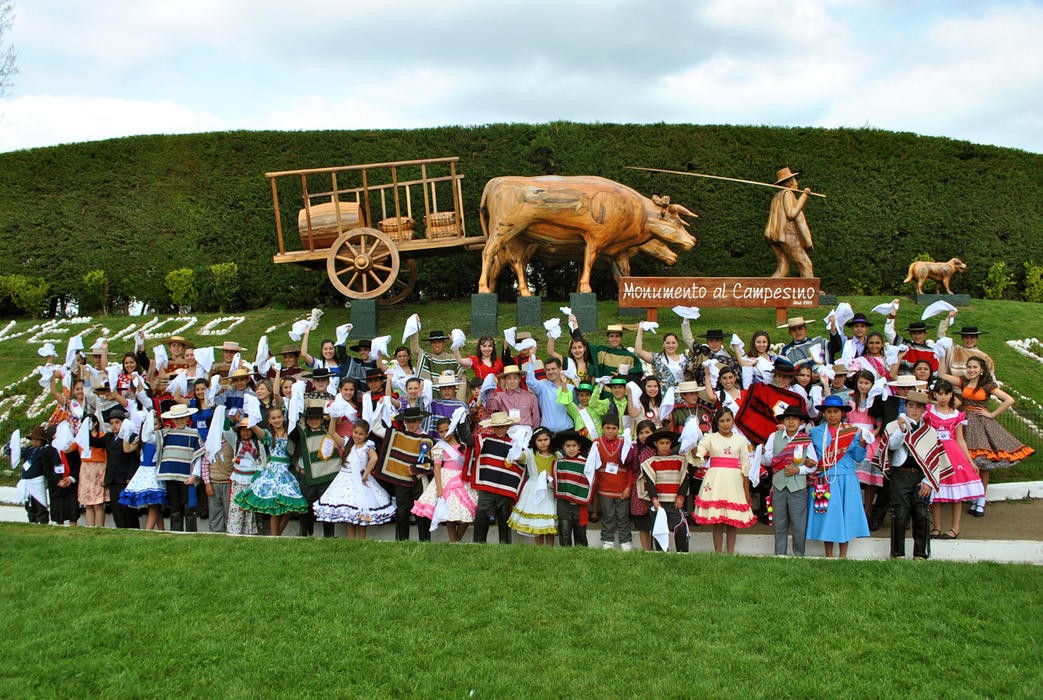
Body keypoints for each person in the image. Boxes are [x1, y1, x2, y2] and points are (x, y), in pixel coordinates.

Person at [938, 357, 1033, 516]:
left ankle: (981, 498)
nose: (971, 370)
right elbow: (942, 375)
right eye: (969, 367)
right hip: (964, 422)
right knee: (966, 459)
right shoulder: (963, 381)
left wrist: (991, 413)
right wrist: (942, 353)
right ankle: (973, 493)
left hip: (981, 424)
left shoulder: (988, 385)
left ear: (982, 369)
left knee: (983, 462)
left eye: (975, 367)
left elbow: (1009, 400)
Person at [876, 390, 950, 559]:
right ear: (906, 407)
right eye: (910, 406)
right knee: (900, 513)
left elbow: (935, 459)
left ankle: (921, 554)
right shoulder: (893, 426)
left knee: (922, 514)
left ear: (924, 409)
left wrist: (928, 481)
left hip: (921, 477)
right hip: (900, 475)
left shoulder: (930, 431)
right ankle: (898, 554)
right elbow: (892, 447)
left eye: (918, 407)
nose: (914, 410)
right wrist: (901, 430)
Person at [806, 395, 871, 558]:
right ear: (824, 413)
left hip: (846, 479)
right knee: (827, 516)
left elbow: (858, 457)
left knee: (845, 515)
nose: (832, 415)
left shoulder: (852, 431)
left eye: (836, 411)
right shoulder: (815, 432)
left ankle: (843, 555)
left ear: (842, 413)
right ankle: (828, 555)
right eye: (829, 411)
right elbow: (810, 454)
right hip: (824, 478)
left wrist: (863, 445)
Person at [313, 419, 395, 538]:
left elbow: (374, 458)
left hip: (361, 479)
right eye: (355, 432)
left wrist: (366, 473)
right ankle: (351, 539)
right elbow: (332, 432)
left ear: (367, 434)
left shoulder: (368, 445)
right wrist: (334, 417)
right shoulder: (347, 443)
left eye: (361, 434)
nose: (357, 436)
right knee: (349, 511)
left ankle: (361, 539)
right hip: (345, 479)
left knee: (362, 508)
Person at [234, 405, 309, 536]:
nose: (277, 420)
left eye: (279, 417)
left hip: (287, 471)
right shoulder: (268, 434)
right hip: (273, 471)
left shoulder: (291, 432)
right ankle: (275, 537)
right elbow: (256, 429)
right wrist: (251, 419)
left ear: (283, 417)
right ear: (269, 420)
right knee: (274, 505)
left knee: (290, 504)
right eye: (273, 418)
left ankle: (276, 535)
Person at [925, 379, 984, 539]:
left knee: (956, 493)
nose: (943, 397)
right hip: (935, 454)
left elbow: (960, 439)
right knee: (936, 491)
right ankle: (936, 526)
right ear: (934, 394)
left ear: (951, 395)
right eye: (939, 393)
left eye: (946, 393)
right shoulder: (928, 412)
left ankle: (955, 527)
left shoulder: (957, 415)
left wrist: (970, 462)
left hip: (953, 455)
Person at [692, 408, 756, 554]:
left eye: (728, 420)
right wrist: (693, 447)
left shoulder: (740, 440)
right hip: (716, 481)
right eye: (722, 421)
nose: (726, 424)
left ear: (733, 420)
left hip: (734, 482)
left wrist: (746, 491)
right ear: (717, 422)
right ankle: (718, 553)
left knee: (732, 520)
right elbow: (699, 452)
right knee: (717, 520)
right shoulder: (710, 437)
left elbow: (745, 467)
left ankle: (731, 553)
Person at [760, 405, 818, 556]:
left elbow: (814, 464)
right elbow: (767, 461)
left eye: (794, 419)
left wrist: (798, 470)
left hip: (798, 488)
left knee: (799, 526)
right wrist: (763, 453)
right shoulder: (774, 437)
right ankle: (780, 555)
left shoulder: (805, 440)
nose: (791, 422)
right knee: (779, 525)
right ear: (783, 421)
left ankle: (799, 556)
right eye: (788, 418)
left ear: (800, 422)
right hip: (778, 486)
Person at [413, 414, 478, 543]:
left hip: (463, 479)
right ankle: (453, 540)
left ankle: (458, 537)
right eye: (441, 432)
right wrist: (439, 487)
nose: (444, 434)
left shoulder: (464, 445)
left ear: (453, 429)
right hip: (445, 479)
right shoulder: (439, 447)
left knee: (469, 510)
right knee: (449, 512)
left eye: (446, 430)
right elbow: (436, 468)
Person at [472, 412, 525, 544]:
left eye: (502, 427)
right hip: (487, 486)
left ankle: (505, 545)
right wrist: (461, 423)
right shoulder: (485, 440)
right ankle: (478, 544)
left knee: (504, 516)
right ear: (492, 428)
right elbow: (468, 440)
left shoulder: (515, 444)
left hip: (505, 488)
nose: (499, 430)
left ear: (508, 427)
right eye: (496, 427)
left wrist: (520, 456)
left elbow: (523, 462)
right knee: (481, 514)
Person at [292, 399, 341, 537]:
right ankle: (306, 535)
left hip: (326, 476)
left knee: (326, 507)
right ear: (307, 421)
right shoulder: (301, 433)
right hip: (307, 476)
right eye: (311, 419)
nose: (314, 421)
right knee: (306, 507)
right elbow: (290, 445)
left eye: (317, 419)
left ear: (321, 420)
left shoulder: (328, 432)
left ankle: (329, 536)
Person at [638, 429, 689, 553]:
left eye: (667, 443)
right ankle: (661, 554)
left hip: (675, 503)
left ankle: (682, 554)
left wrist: (681, 497)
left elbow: (684, 480)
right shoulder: (650, 462)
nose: (665, 446)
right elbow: (649, 483)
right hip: (658, 503)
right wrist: (654, 499)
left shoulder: (680, 461)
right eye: (662, 443)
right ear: (656, 444)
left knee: (680, 528)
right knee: (659, 529)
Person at [156, 403, 205, 532]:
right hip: (171, 476)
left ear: (187, 418)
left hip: (186, 477)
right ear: (172, 420)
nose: (180, 421)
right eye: (177, 419)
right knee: (175, 508)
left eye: (182, 418)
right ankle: (175, 533)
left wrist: (194, 475)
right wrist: (149, 417)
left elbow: (198, 457)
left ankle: (191, 534)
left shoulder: (194, 434)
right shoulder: (166, 433)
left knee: (189, 508)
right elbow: (147, 437)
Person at [89, 407, 140, 529]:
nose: (114, 426)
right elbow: (94, 442)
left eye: (117, 423)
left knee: (127, 508)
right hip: (112, 478)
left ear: (123, 423)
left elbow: (134, 459)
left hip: (125, 478)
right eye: (111, 423)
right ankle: (120, 529)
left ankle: (133, 529)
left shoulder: (130, 436)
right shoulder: (109, 437)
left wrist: (130, 476)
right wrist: (88, 428)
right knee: (116, 508)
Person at [507, 427, 558, 545]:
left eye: (546, 439)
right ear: (534, 441)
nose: (543, 442)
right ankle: (539, 549)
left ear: (550, 439)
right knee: (536, 522)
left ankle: (550, 549)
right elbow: (519, 457)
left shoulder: (557, 455)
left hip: (550, 490)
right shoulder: (530, 454)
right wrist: (518, 444)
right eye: (539, 440)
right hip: (533, 489)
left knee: (549, 521)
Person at [119, 411, 167, 531]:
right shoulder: (141, 440)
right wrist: (126, 434)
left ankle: (148, 530)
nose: (154, 427)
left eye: (156, 424)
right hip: (143, 472)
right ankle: (161, 529)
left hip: (154, 471)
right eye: (151, 424)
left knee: (154, 503)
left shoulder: (158, 437)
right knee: (154, 503)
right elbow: (127, 449)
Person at [764, 166, 814, 277]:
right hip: (787, 234)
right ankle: (809, 290)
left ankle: (767, 290)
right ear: (788, 183)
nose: (796, 183)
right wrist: (804, 195)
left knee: (783, 267)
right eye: (794, 180)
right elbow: (791, 214)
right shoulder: (787, 194)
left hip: (775, 235)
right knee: (804, 263)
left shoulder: (777, 196)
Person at [592, 416, 632, 550]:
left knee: (622, 516)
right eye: (607, 428)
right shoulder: (596, 443)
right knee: (607, 516)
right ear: (602, 428)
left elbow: (631, 468)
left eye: (614, 428)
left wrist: (628, 487)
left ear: (618, 429)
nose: (610, 431)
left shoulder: (624, 442)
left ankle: (625, 541)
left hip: (622, 487)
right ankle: (607, 540)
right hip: (604, 488)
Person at [551, 430, 594, 547]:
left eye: (574, 445)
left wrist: (576, 498)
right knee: (564, 533)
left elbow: (589, 483)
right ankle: (566, 560)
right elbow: (559, 483)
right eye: (568, 446)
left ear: (579, 446)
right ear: (563, 447)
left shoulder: (586, 464)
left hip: (579, 506)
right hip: (563, 505)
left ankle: (581, 560)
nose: (571, 449)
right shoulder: (559, 463)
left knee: (580, 534)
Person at [571, 323, 642, 382]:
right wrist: (575, 327)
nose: (614, 339)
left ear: (621, 338)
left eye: (617, 336)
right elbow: (585, 345)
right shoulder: (601, 351)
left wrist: (622, 377)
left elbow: (637, 376)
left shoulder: (630, 356)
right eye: (611, 336)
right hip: (604, 392)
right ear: (608, 338)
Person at [626, 420, 657, 551]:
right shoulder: (635, 449)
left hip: (656, 489)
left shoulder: (658, 449)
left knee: (656, 522)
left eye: (647, 432)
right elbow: (631, 466)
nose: (644, 435)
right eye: (641, 433)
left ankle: (659, 550)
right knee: (643, 524)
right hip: (639, 489)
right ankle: (646, 550)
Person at [18, 425, 58, 524]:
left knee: (40, 504)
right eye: (33, 440)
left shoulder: (44, 450)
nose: (34, 442)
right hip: (27, 480)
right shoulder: (29, 450)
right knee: (29, 504)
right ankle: (32, 519)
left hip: (37, 480)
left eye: (37, 440)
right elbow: (14, 452)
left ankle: (42, 520)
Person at [523, 356, 573, 433]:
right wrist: (531, 358)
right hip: (548, 434)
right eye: (548, 370)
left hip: (568, 431)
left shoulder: (570, 388)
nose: (550, 372)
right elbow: (530, 381)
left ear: (560, 369)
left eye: (553, 369)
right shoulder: (542, 387)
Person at [633, 326, 691, 392]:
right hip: (662, 396)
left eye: (673, 343)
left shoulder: (684, 359)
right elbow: (638, 351)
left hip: (680, 396)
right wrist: (641, 329)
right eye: (668, 343)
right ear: (663, 344)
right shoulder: (657, 358)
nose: (671, 346)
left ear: (678, 344)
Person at [485, 365, 540, 430]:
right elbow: (490, 406)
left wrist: (533, 433)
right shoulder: (500, 396)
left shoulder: (530, 396)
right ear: (505, 380)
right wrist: (491, 389)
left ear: (519, 379)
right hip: (508, 431)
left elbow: (536, 418)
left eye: (515, 378)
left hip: (526, 430)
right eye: (509, 379)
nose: (512, 381)